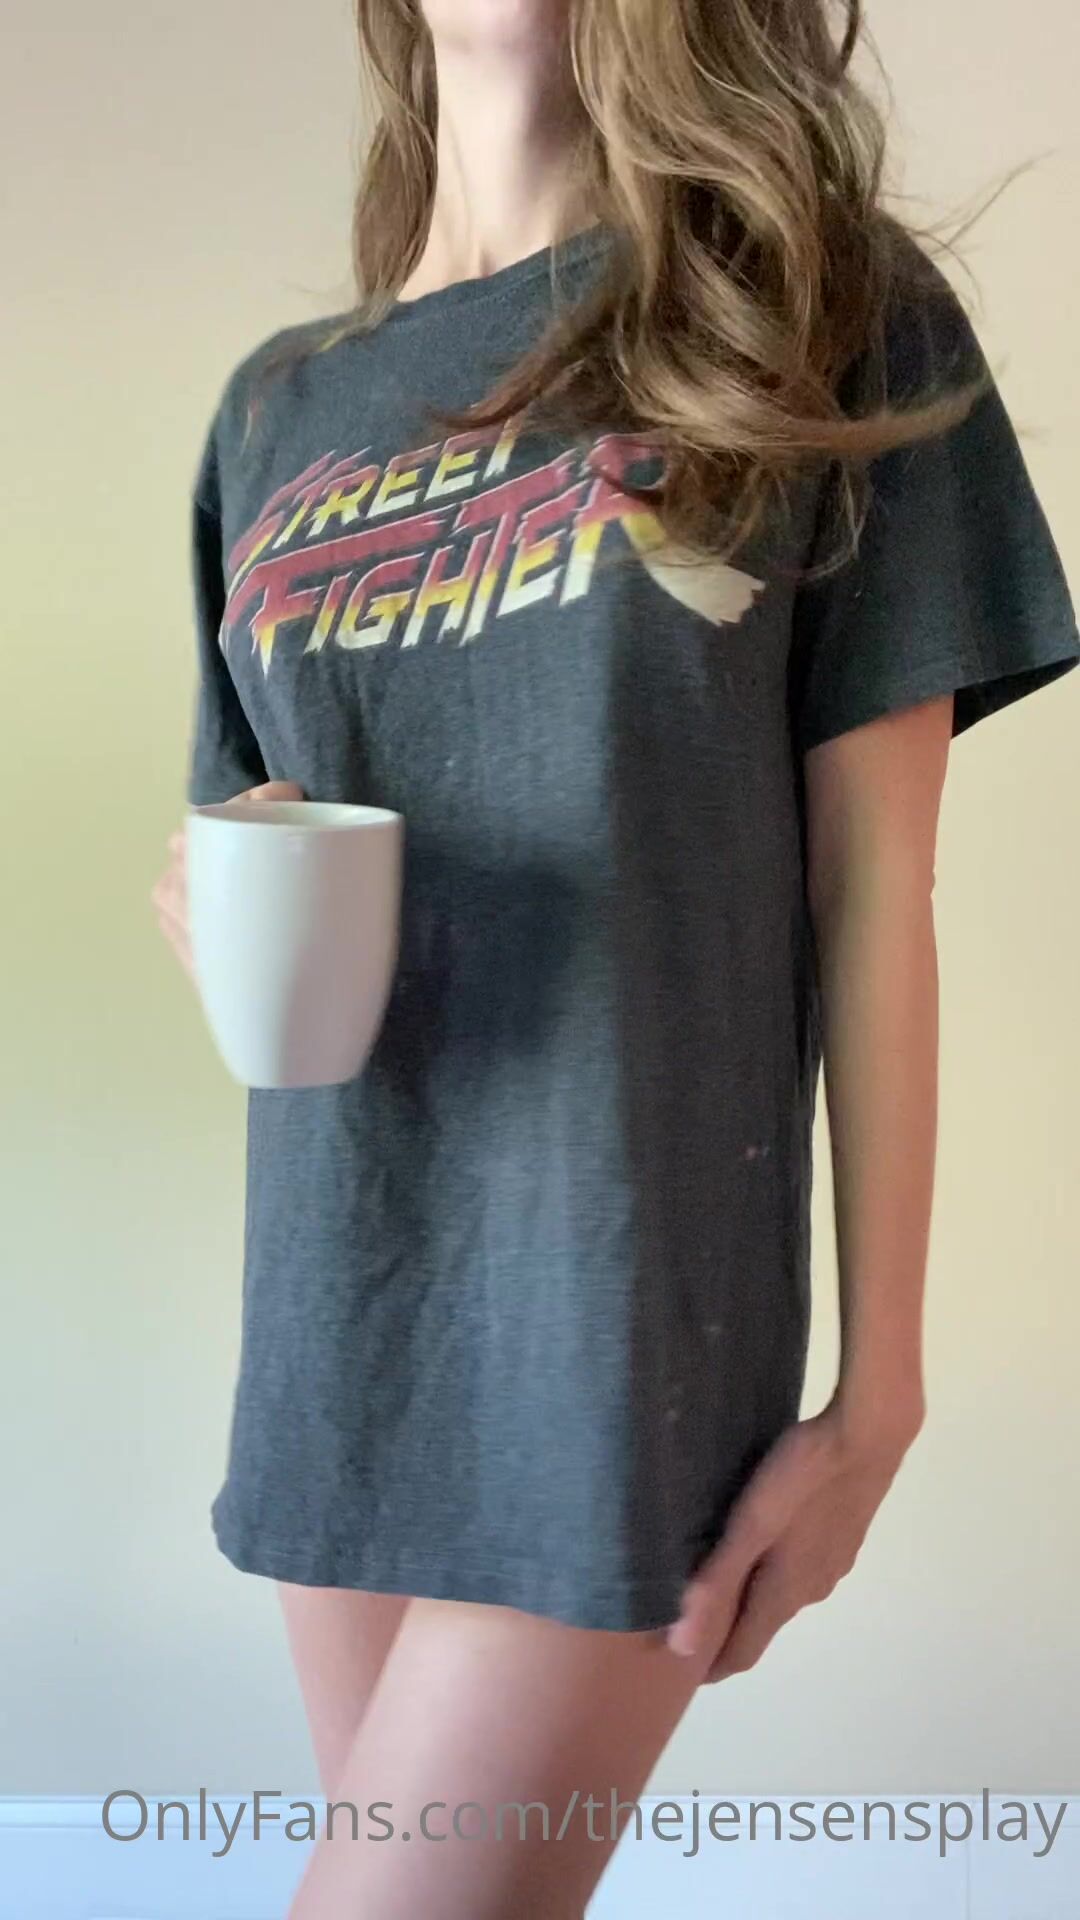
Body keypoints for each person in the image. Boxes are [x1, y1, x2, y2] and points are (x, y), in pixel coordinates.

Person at [152, 2, 1079, 1915]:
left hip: (619, 1311)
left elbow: (873, 890)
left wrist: (877, 1398)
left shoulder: (813, 311)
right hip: (347, 1306)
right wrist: (207, 906)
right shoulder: (276, 410)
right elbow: (265, 835)